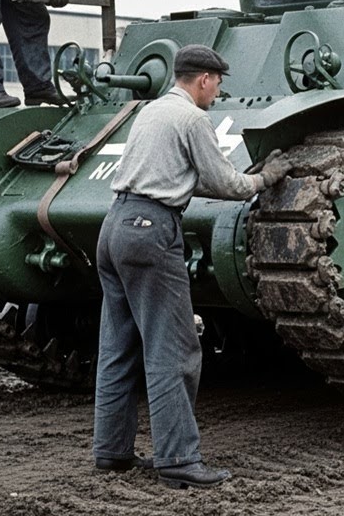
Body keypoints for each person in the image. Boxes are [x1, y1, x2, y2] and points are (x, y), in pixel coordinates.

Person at [92, 45, 292, 488]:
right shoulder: (192, 119)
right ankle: (179, 460)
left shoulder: (151, 111)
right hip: (151, 230)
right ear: (203, 79)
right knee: (175, 351)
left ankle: (111, 451)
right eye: (217, 83)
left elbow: (184, 173)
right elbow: (226, 184)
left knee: (118, 346)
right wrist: (267, 176)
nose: (218, 92)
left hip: (114, 227)